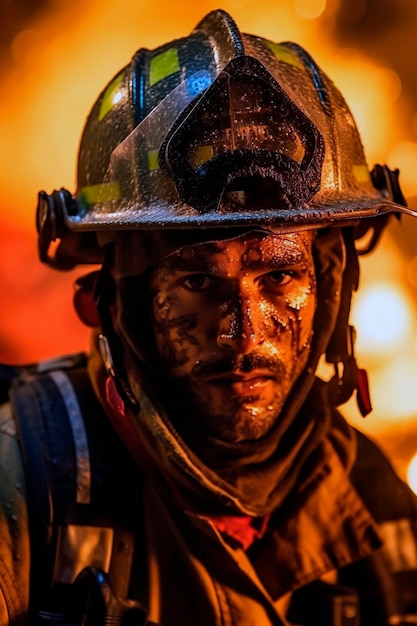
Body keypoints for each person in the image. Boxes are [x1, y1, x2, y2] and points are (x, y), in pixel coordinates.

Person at [1, 8, 417, 626]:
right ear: (119, 303)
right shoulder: (24, 474)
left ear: (331, 290)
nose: (242, 331)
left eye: (279, 276)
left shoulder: (376, 505)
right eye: (196, 281)